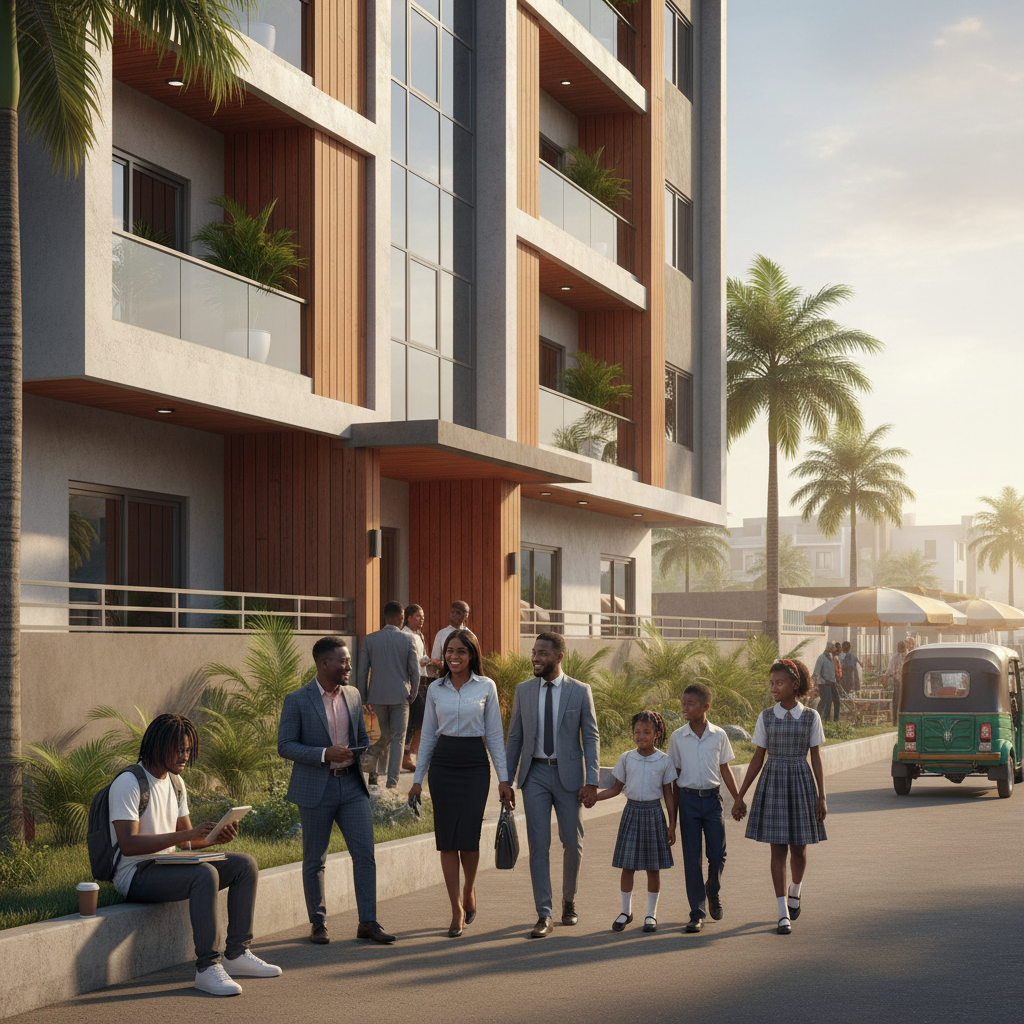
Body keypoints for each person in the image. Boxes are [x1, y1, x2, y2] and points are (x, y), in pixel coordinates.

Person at [109, 713, 281, 997]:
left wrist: (213, 837)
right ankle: (207, 967)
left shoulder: (176, 783)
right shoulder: (129, 782)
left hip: (168, 863)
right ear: (158, 746)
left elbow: (187, 840)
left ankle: (237, 954)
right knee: (204, 874)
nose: (184, 756)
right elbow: (128, 844)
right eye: (178, 749)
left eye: (187, 750)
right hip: (136, 873)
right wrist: (186, 837)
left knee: (244, 864)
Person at [278, 636, 396, 945]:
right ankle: (318, 923)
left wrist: (364, 750)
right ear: (323, 663)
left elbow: (360, 737)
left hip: (352, 786)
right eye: (342, 661)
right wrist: (323, 753)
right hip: (317, 788)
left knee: (365, 855)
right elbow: (285, 745)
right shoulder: (298, 700)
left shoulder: (354, 696)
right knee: (315, 859)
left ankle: (367, 922)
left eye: (348, 661)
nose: (348, 666)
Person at [407, 630, 514, 936]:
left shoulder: (486, 687)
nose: (454, 656)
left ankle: (469, 889)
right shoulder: (436, 689)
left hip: (473, 764)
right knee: (447, 840)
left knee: (468, 838)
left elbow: (494, 735)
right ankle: (455, 909)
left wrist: (503, 779)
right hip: (443, 764)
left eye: (461, 652)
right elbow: (427, 735)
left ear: (472, 655)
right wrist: (417, 781)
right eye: (450, 651)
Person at [505, 632, 601, 938]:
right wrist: (506, 779)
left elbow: (591, 737)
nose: (535, 658)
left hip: (570, 778)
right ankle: (543, 913)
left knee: (572, 842)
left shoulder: (580, 691)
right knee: (538, 846)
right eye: (534, 652)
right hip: (534, 775)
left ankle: (568, 899)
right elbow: (515, 737)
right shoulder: (524, 691)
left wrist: (592, 781)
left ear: (559, 657)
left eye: (543, 653)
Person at [732, 659, 827, 935]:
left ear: (795, 685)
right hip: (772, 782)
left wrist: (822, 796)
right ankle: (782, 911)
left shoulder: (811, 717)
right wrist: (740, 796)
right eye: (771, 683)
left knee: (799, 847)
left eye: (779, 683)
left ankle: (795, 889)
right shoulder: (765, 717)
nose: (773, 688)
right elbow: (757, 758)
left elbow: (817, 758)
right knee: (777, 850)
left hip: (800, 782)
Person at [667, 682, 741, 933]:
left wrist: (738, 798)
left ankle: (713, 889)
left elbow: (725, 770)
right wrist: (672, 819)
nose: (685, 707)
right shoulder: (678, 737)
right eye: (683, 703)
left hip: (712, 801)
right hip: (687, 801)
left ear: (705, 707)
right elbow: (674, 778)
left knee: (717, 854)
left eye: (691, 704)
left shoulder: (718, 734)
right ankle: (696, 912)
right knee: (691, 859)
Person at [594, 710, 676, 934]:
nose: (641, 736)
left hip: (653, 814)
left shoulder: (664, 760)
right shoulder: (626, 758)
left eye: (647, 732)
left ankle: (651, 914)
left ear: (657, 734)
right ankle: (626, 911)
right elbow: (615, 788)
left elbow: (669, 794)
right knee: (627, 865)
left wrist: (672, 824)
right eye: (637, 732)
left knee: (653, 867)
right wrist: (594, 798)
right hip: (631, 812)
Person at [356, 601, 421, 789]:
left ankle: (374, 774)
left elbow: (362, 672)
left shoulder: (370, 639)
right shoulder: (408, 639)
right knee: (398, 738)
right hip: (401, 697)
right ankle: (392, 783)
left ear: (384, 617)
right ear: (402, 618)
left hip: (376, 696)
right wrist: (413, 693)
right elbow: (414, 671)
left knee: (379, 736)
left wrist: (364, 697)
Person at [402, 604, 433, 773]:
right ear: (409, 618)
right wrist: (426, 661)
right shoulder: (404, 636)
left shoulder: (418, 635)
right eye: (418, 616)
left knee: (423, 718)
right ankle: (407, 755)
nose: (422, 620)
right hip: (412, 683)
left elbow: (420, 658)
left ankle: (410, 754)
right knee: (415, 719)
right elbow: (411, 661)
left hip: (423, 681)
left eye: (423, 617)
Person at [430, 600, 470, 669]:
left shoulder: (470, 636)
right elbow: (435, 660)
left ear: (465, 616)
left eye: (458, 613)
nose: (453, 615)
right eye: (452, 612)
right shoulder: (441, 634)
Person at [813, 642, 840, 722]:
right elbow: (816, 673)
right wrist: (823, 681)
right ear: (827, 648)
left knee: (837, 700)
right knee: (826, 701)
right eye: (832, 647)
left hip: (832, 683)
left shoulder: (832, 657)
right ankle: (824, 719)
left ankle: (836, 720)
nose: (833, 649)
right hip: (824, 684)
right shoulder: (821, 658)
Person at [886, 640, 908, 724]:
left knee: (896, 701)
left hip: (897, 681)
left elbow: (890, 671)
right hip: (907, 682)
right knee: (905, 701)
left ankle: (895, 720)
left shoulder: (894, 657)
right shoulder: (908, 656)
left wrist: (887, 676)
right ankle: (904, 719)